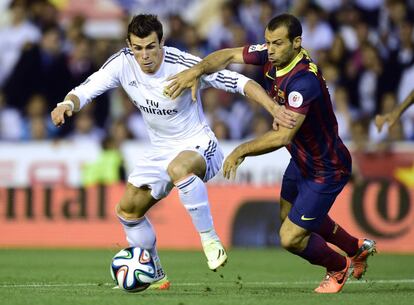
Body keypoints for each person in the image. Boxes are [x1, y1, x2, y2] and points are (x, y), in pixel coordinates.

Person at [50, 14, 294, 290]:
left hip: (199, 144)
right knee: (128, 210)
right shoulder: (122, 62)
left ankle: (210, 239)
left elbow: (240, 82)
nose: (145, 55)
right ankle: (154, 273)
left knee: (179, 168)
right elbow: (86, 89)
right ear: (129, 46)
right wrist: (66, 105)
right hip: (160, 150)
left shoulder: (183, 65)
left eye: (151, 47)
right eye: (138, 48)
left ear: (162, 42)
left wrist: (274, 108)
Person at [166, 13, 377, 294]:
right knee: (289, 214)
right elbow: (228, 55)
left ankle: (338, 266)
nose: (270, 49)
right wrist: (198, 70)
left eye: (277, 43)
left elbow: (283, 135)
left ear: (297, 42)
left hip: (326, 168)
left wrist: (241, 150)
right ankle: (355, 248)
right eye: (268, 42)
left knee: (290, 237)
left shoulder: (304, 82)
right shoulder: (270, 54)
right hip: (301, 160)